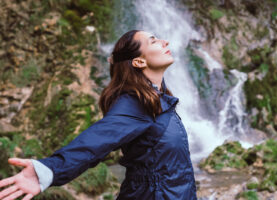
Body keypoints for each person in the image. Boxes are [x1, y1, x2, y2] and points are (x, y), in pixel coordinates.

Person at [0, 30, 197, 200]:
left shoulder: (156, 99)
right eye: (154, 41)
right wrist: (49, 170)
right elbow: (96, 141)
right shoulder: (135, 103)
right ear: (138, 61)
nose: (165, 42)